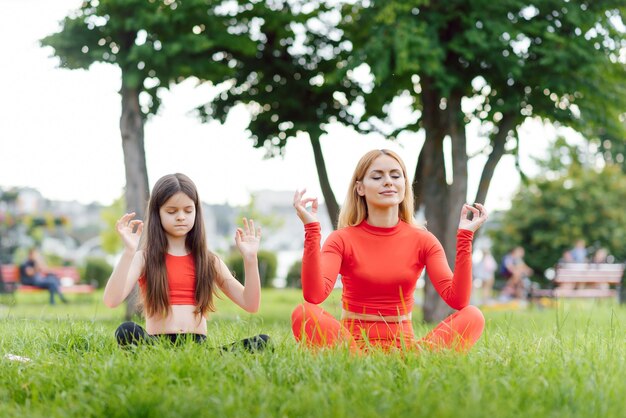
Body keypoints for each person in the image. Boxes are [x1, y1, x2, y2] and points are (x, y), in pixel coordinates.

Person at [290, 149, 487, 353]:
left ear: (404, 185)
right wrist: (311, 229)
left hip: (408, 352)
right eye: (377, 176)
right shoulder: (341, 239)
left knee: (473, 316)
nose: (388, 181)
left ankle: (412, 363)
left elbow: (458, 300)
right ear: (360, 188)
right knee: (303, 313)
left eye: (395, 175)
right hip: (351, 350)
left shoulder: (424, 240)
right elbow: (314, 295)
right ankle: (360, 364)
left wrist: (465, 236)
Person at [103, 173, 270, 351]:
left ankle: (205, 358)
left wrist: (251, 260)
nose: (181, 216)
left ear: (196, 212)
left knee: (262, 342)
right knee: (126, 330)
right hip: (157, 346)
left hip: (198, 348)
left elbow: (250, 304)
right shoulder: (144, 258)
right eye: (172, 211)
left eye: (188, 210)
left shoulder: (209, 260)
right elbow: (112, 300)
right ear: (157, 214)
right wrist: (129, 252)